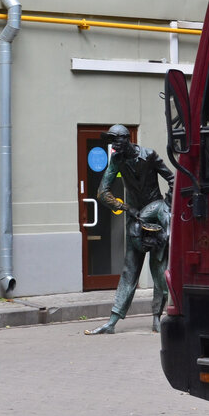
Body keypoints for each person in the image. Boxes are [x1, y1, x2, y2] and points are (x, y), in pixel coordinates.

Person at [85, 125, 174, 335]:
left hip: (157, 217)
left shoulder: (149, 156)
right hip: (135, 218)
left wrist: (166, 207)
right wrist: (125, 207)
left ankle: (156, 317)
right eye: (112, 142)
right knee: (129, 270)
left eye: (116, 141)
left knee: (159, 271)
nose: (114, 146)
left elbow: (172, 179)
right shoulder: (117, 160)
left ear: (126, 139)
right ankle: (112, 321)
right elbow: (102, 193)